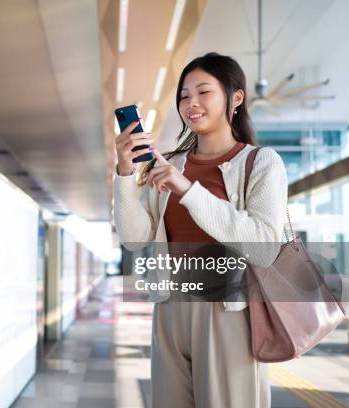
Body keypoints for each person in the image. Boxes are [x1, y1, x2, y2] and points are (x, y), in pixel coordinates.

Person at [113, 52, 288, 407]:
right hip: (170, 309)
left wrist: (188, 191)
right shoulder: (170, 164)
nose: (190, 103)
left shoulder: (260, 163)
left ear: (235, 97)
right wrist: (124, 173)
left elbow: (264, 247)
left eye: (203, 92)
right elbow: (134, 238)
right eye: (183, 95)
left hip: (229, 315)